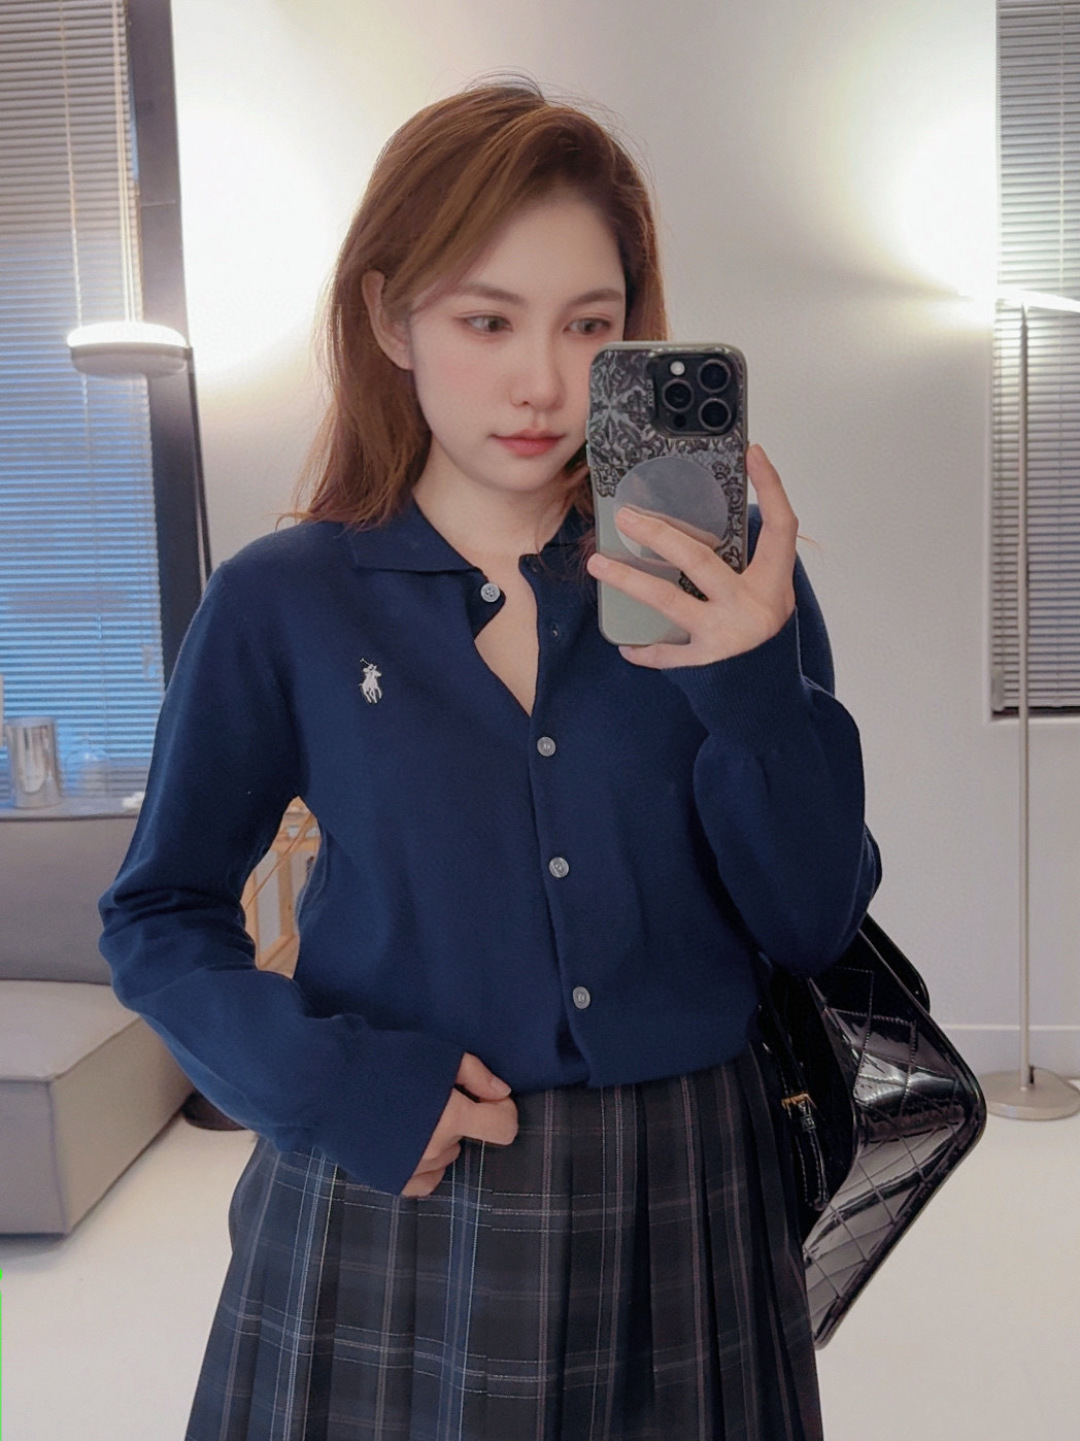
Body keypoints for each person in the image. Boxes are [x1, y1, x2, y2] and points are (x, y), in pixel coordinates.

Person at [98, 74, 881, 1441]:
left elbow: (813, 920)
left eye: (590, 324)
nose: (542, 383)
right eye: (486, 319)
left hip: (689, 1184)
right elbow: (158, 914)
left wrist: (757, 691)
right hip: (396, 1177)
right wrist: (323, 1082)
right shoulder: (284, 600)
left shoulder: (728, 581)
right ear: (388, 317)